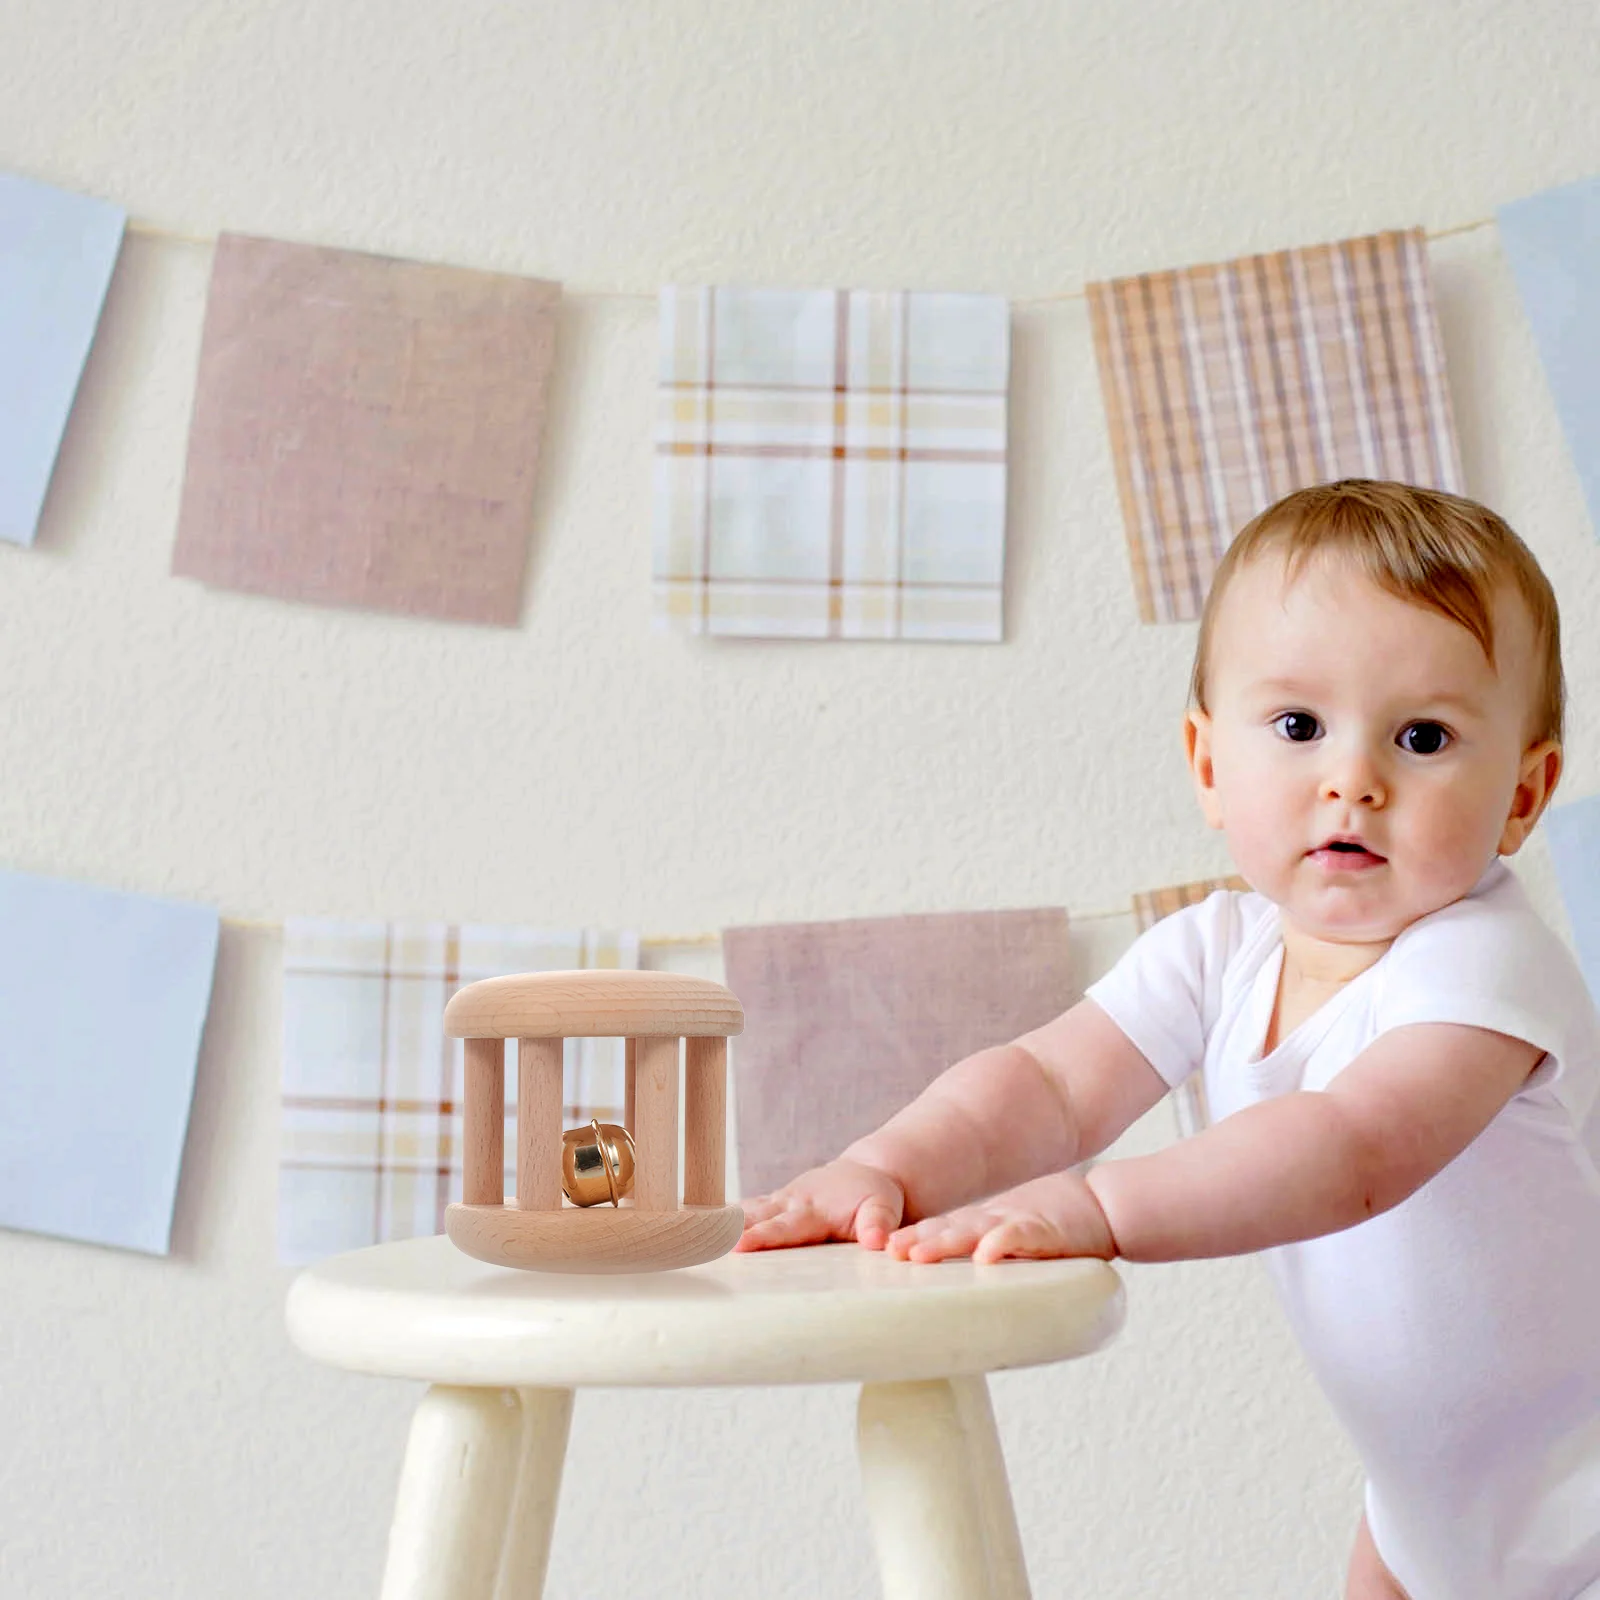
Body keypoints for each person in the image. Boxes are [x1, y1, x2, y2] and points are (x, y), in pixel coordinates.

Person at [737, 479, 1600, 1600]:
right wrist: (887, 1168)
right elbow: (1046, 1083)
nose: (1353, 779)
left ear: (1523, 795)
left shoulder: (1484, 964)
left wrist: (1100, 1208)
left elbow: (1354, 1149)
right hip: (1427, 1506)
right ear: (1205, 762)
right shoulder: (1217, 949)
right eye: (1297, 726)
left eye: (1422, 737)